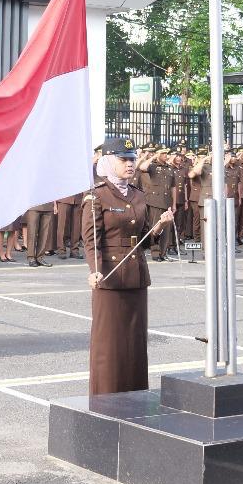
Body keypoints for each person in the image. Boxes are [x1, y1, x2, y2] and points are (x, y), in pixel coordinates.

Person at [82, 137, 173, 395]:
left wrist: (159, 227)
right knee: (110, 344)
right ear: (109, 161)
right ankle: (106, 397)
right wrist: (94, 270)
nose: (130, 164)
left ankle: (135, 396)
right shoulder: (96, 196)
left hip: (136, 276)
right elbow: (91, 241)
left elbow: (143, 237)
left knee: (134, 342)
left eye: (132, 159)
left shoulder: (137, 195)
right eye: (124, 159)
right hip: (109, 276)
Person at [137, 145, 175, 261]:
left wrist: (174, 204)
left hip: (167, 201)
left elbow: (173, 187)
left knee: (166, 229)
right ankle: (155, 253)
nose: (166, 156)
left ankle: (162, 253)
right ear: (158, 154)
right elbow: (142, 167)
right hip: (155, 201)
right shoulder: (152, 166)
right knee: (156, 227)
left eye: (166, 153)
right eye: (163, 154)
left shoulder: (169, 168)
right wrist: (152, 157)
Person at [24, 200, 55, 267]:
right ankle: (31, 257)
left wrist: (54, 204)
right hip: (33, 205)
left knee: (45, 234)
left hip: (48, 205)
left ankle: (40, 257)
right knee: (32, 232)